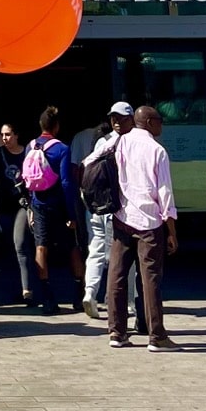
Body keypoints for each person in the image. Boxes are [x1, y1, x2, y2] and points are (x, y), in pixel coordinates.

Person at [109, 106, 179, 351]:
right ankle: (157, 336)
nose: (162, 126)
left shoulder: (118, 143)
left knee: (117, 274)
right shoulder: (157, 150)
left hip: (122, 218)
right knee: (150, 279)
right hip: (150, 222)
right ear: (149, 122)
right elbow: (165, 194)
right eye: (159, 121)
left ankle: (117, 332)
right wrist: (171, 231)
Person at [26, 106, 84, 315]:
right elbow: (67, 182)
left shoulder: (30, 146)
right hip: (58, 204)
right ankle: (79, 295)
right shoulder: (62, 149)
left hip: (38, 203)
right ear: (56, 126)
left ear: (41, 125)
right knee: (72, 247)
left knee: (41, 247)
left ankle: (47, 298)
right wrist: (71, 214)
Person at [81, 102, 135, 319]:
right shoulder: (132, 143)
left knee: (95, 252)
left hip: (97, 207)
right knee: (123, 256)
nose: (116, 121)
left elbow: (86, 168)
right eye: (114, 117)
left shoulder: (102, 142)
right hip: (118, 207)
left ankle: (90, 293)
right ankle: (128, 301)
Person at [0, 121, 35, 305]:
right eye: (2, 134)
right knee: (6, 250)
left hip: (22, 205)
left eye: (8, 134)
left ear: (17, 135)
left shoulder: (27, 153)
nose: (4, 138)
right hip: (2, 207)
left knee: (20, 244)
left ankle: (27, 290)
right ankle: (9, 290)